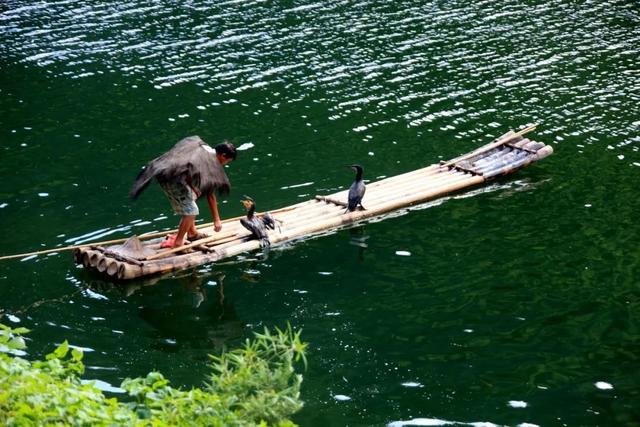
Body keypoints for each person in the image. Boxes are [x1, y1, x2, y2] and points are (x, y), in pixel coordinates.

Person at [129, 136, 237, 248]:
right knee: (191, 211)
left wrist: (192, 187)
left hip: (177, 178)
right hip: (172, 181)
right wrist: (217, 220)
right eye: (227, 161)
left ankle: (192, 233)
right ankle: (178, 243)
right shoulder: (211, 162)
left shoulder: (204, 148)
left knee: (192, 197)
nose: (226, 164)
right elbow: (210, 195)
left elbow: (188, 166)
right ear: (223, 155)